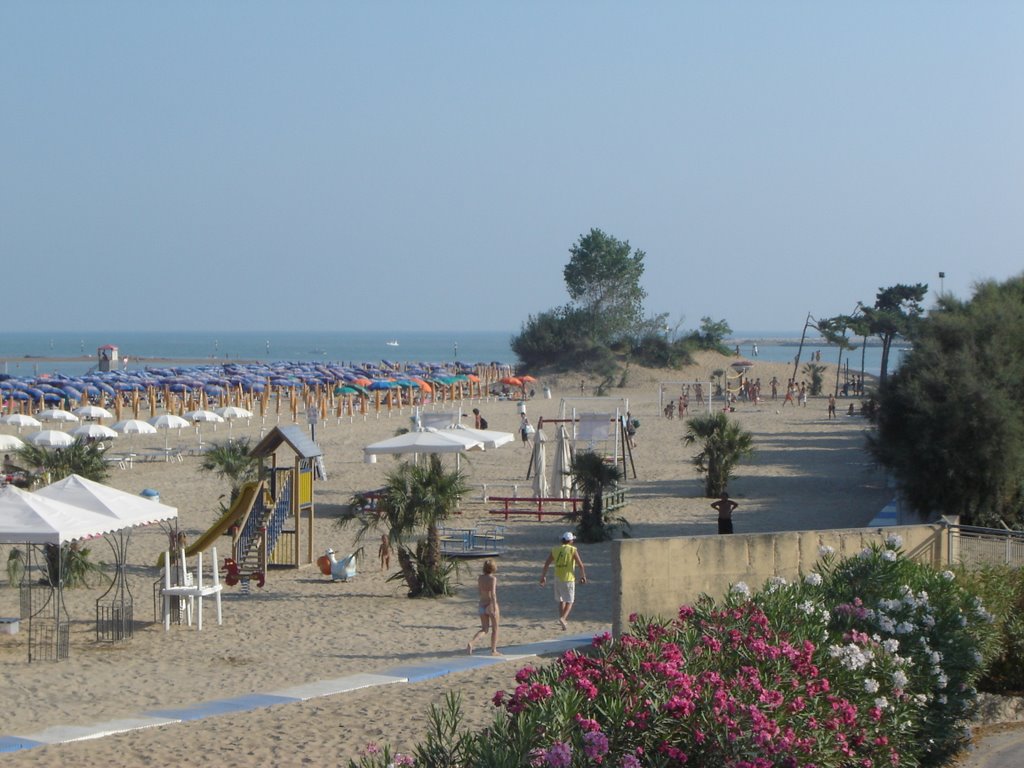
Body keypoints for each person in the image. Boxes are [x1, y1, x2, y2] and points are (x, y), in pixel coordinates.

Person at [540, 531, 587, 630]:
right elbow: (581, 565)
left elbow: (546, 564)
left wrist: (543, 576)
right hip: (568, 578)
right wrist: (583, 577)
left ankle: (563, 624)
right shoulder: (572, 550)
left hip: (557, 578)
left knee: (561, 600)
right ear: (570, 541)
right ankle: (563, 618)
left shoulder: (555, 550)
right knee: (570, 601)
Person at [467, 559, 500, 655]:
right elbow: (493, 594)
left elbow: (479, 592)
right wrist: (493, 606)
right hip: (490, 604)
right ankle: (493, 650)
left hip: (482, 604)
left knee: (484, 629)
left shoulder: (480, 578)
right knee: (495, 628)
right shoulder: (493, 579)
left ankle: (472, 643)